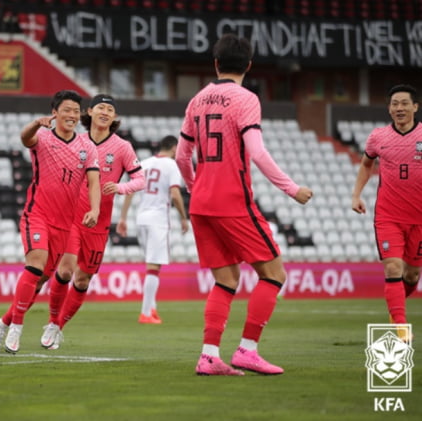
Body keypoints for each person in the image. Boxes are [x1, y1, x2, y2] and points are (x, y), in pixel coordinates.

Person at [175, 33, 313, 376]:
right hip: (232, 200)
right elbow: (257, 151)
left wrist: (197, 187)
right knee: (274, 273)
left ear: (216, 63)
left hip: (201, 204)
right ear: (249, 66)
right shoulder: (246, 98)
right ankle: (247, 350)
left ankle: (209, 356)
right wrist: (291, 188)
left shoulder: (197, 99)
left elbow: (182, 156)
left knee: (226, 280)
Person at [0, 89, 101, 354]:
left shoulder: (86, 146)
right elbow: (24, 137)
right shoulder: (44, 139)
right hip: (37, 215)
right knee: (35, 265)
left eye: (75, 110)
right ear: (55, 113)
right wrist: (35, 124)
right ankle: (16, 328)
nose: (72, 115)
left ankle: (1, 324)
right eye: (67, 110)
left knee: (40, 281)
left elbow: (94, 182)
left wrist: (94, 208)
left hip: (65, 223)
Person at [39, 94, 145, 350]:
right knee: (65, 270)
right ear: (90, 112)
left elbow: (141, 179)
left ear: (114, 117)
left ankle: (58, 326)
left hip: (99, 223)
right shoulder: (77, 141)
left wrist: (120, 187)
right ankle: (52, 321)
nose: (106, 112)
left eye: (110, 109)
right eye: (101, 107)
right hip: (73, 217)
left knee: (83, 280)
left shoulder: (122, 147)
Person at [351, 84, 421, 343]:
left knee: (412, 274)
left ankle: (396, 309)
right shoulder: (378, 137)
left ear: (415, 106)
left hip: (419, 220)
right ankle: (401, 326)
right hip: (388, 216)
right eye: (394, 104)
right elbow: (366, 164)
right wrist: (356, 195)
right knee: (393, 267)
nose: (399, 108)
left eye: (404, 103)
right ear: (389, 108)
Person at [116, 135, 189, 324]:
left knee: (151, 264)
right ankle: (146, 312)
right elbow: (174, 193)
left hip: (141, 218)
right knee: (154, 267)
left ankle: (152, 309)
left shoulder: (145, 163)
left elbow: (130, 190)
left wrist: (123, 218)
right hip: (158, 219)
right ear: (174, 149)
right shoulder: (172, 166)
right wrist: (183, 217)